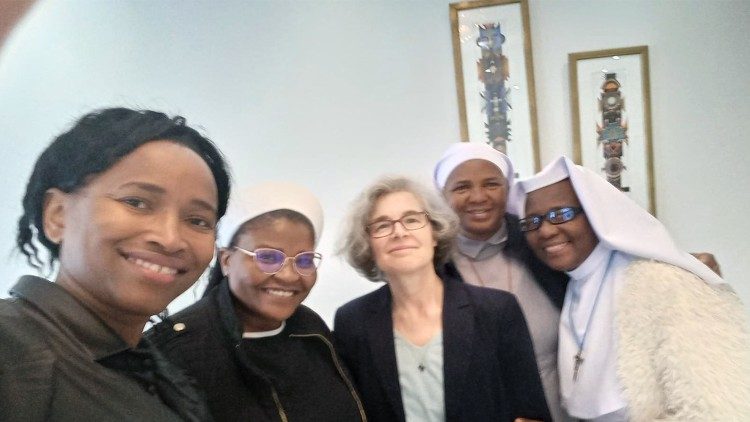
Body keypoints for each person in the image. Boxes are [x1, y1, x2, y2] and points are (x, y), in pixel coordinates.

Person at [1, 107, 231, 421]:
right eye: (136, 202)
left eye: (198, 220)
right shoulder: (12, 354)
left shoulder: (159, 372)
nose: (170, 238)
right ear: (57, 215)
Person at [511, 155, 750, 420]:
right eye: (532, 222)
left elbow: (716, 409)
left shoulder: (662, 284)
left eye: (561, 214)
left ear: (595, 213)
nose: (545, 231)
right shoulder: (574, 284)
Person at [334, 176, 551, 422]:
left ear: (435, 233)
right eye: (382, 226)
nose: (399, 232)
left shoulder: (497, 310)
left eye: (412, 219)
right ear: (368, 244)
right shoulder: (352, 321)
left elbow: (531, 413)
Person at [148, 182, 366, 421]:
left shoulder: (313, 330)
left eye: (304, 260)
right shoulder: (171, 351)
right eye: (268, 257)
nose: (289, 275)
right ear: (227, 260)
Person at [433, 142, 570, 421]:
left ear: (507, 189)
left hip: (565, 404)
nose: (478, 196)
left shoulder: (542, 244)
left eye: (491, 184)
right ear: (442, 196)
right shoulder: (433, 265)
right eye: (462, 187)